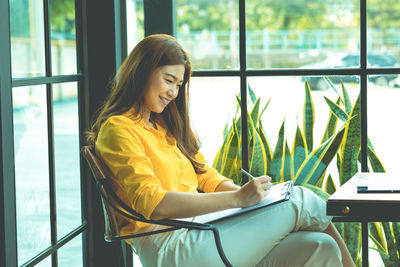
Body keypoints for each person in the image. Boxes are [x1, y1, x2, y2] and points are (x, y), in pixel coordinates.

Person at [86, 34, 355, 267]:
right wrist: (238, 200)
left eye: (179, 85)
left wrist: (259, 198)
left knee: (320, 246)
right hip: (170, 247)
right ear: (142, 71)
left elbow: (206, 177)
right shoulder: (119, 128)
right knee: (301, 200)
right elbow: (153, 204)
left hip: (200, 232)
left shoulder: (163, 128)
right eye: (169, 80)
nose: (173, 92)